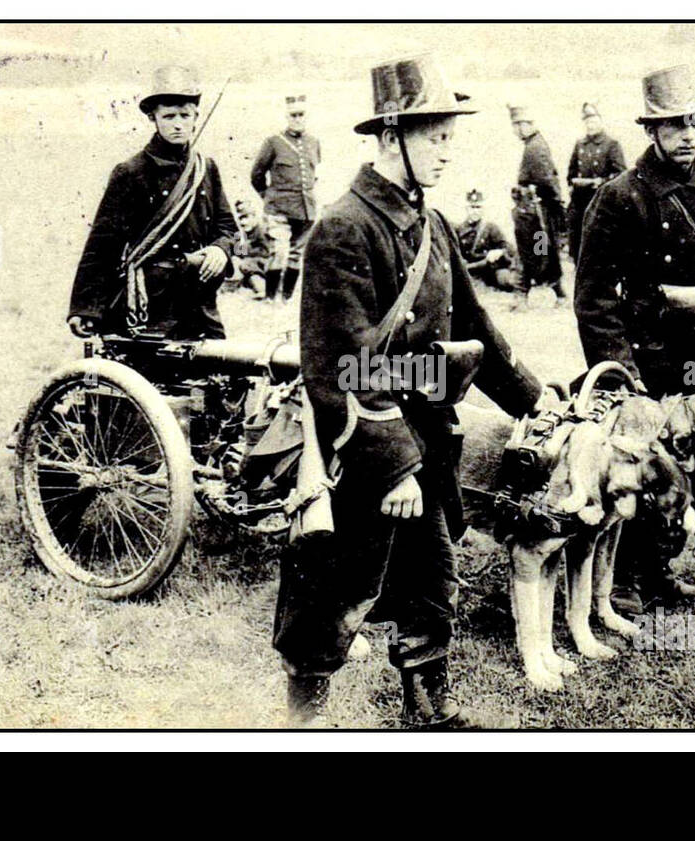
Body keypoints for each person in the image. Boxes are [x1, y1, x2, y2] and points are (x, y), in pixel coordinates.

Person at [274, 54, 549, 729]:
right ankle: (304, 713)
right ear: (391, 135)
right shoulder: (343, 227)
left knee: (431, 576)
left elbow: (475, 326)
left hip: (427, 439)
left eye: (451, 136)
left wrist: (533, 397)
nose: (447, 150)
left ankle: (429, 711)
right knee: (337, 587)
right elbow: (343, 361)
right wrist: (394, 464)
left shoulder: (434, 225)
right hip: (363, 444)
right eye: (435, 136)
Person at [574, 64, 695, 613]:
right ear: (652, 130)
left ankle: (660, 570)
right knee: (642, 466)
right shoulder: (619, 197)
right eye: (676, 124)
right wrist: (620, 368)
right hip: (647, 360)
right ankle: (625, 578)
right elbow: (593, 294)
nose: (688, 134)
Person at [68, 66, 237, 341]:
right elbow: (103, 245)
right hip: (150, 305)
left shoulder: (206, 168)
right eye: (168, 116)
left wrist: (221, 250)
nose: (178, 124)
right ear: (153, 118)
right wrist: (86, 309)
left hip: (200, 301)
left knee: (217, 365)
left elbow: (229, 229)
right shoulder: (131, 172)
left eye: (185, 115)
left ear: (196, 117)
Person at [250, 94, 321, 301]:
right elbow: (256, 175)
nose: (297, 119)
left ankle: (286, 299)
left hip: (305, 209)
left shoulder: (314, 142)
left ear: (307, 116)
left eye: (301, 114)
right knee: (279, 253)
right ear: (286, 117)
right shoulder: (273, 142)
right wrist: (268, 197)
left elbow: (314, 173)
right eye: (293, 115)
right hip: (278, 210)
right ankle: (271, 298)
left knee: (296, 255)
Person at [509, 104, 566, 302]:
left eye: (517, 125)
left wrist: (556, 204)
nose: (516, 131)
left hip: (535, 213)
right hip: (533, 210)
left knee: (535, 250)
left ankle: (524, 294)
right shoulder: (534, 144)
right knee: (537, 250)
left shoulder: (535, 147)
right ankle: (553, 293)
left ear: (525, 125)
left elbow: (546, 180)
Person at [566, 102, 626, 264]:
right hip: (580, 203)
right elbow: (571, 173)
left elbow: (621, 174)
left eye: (593, 121)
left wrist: (600, 182)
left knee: (600, 244)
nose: (590, 125)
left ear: (600, 121)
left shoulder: (611, 144)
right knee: (578, 242)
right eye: (587, 122)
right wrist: (574, 185)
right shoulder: (580, 144)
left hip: (601, 202)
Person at [455, 188, 516, 291]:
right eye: (472, 207)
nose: (475, 211)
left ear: (483, 209)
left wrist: (499, 252)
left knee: (506, 281)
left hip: (489, 269)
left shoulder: (490, 228)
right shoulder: (459, 230)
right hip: (469, 269)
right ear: (466, 209)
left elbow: (509, 248)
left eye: (478, 207)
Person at [229, 198, 273, 299]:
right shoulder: (239, 233)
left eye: (246, 217)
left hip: (260, 262)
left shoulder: (260, 230)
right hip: (246, 265)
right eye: (240, 219)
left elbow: (265, 251)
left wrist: (247, 249)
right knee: (236, 262)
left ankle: (261, 289)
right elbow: (237, 252)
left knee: (250, 270)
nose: (243, 222)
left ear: (254, 216)